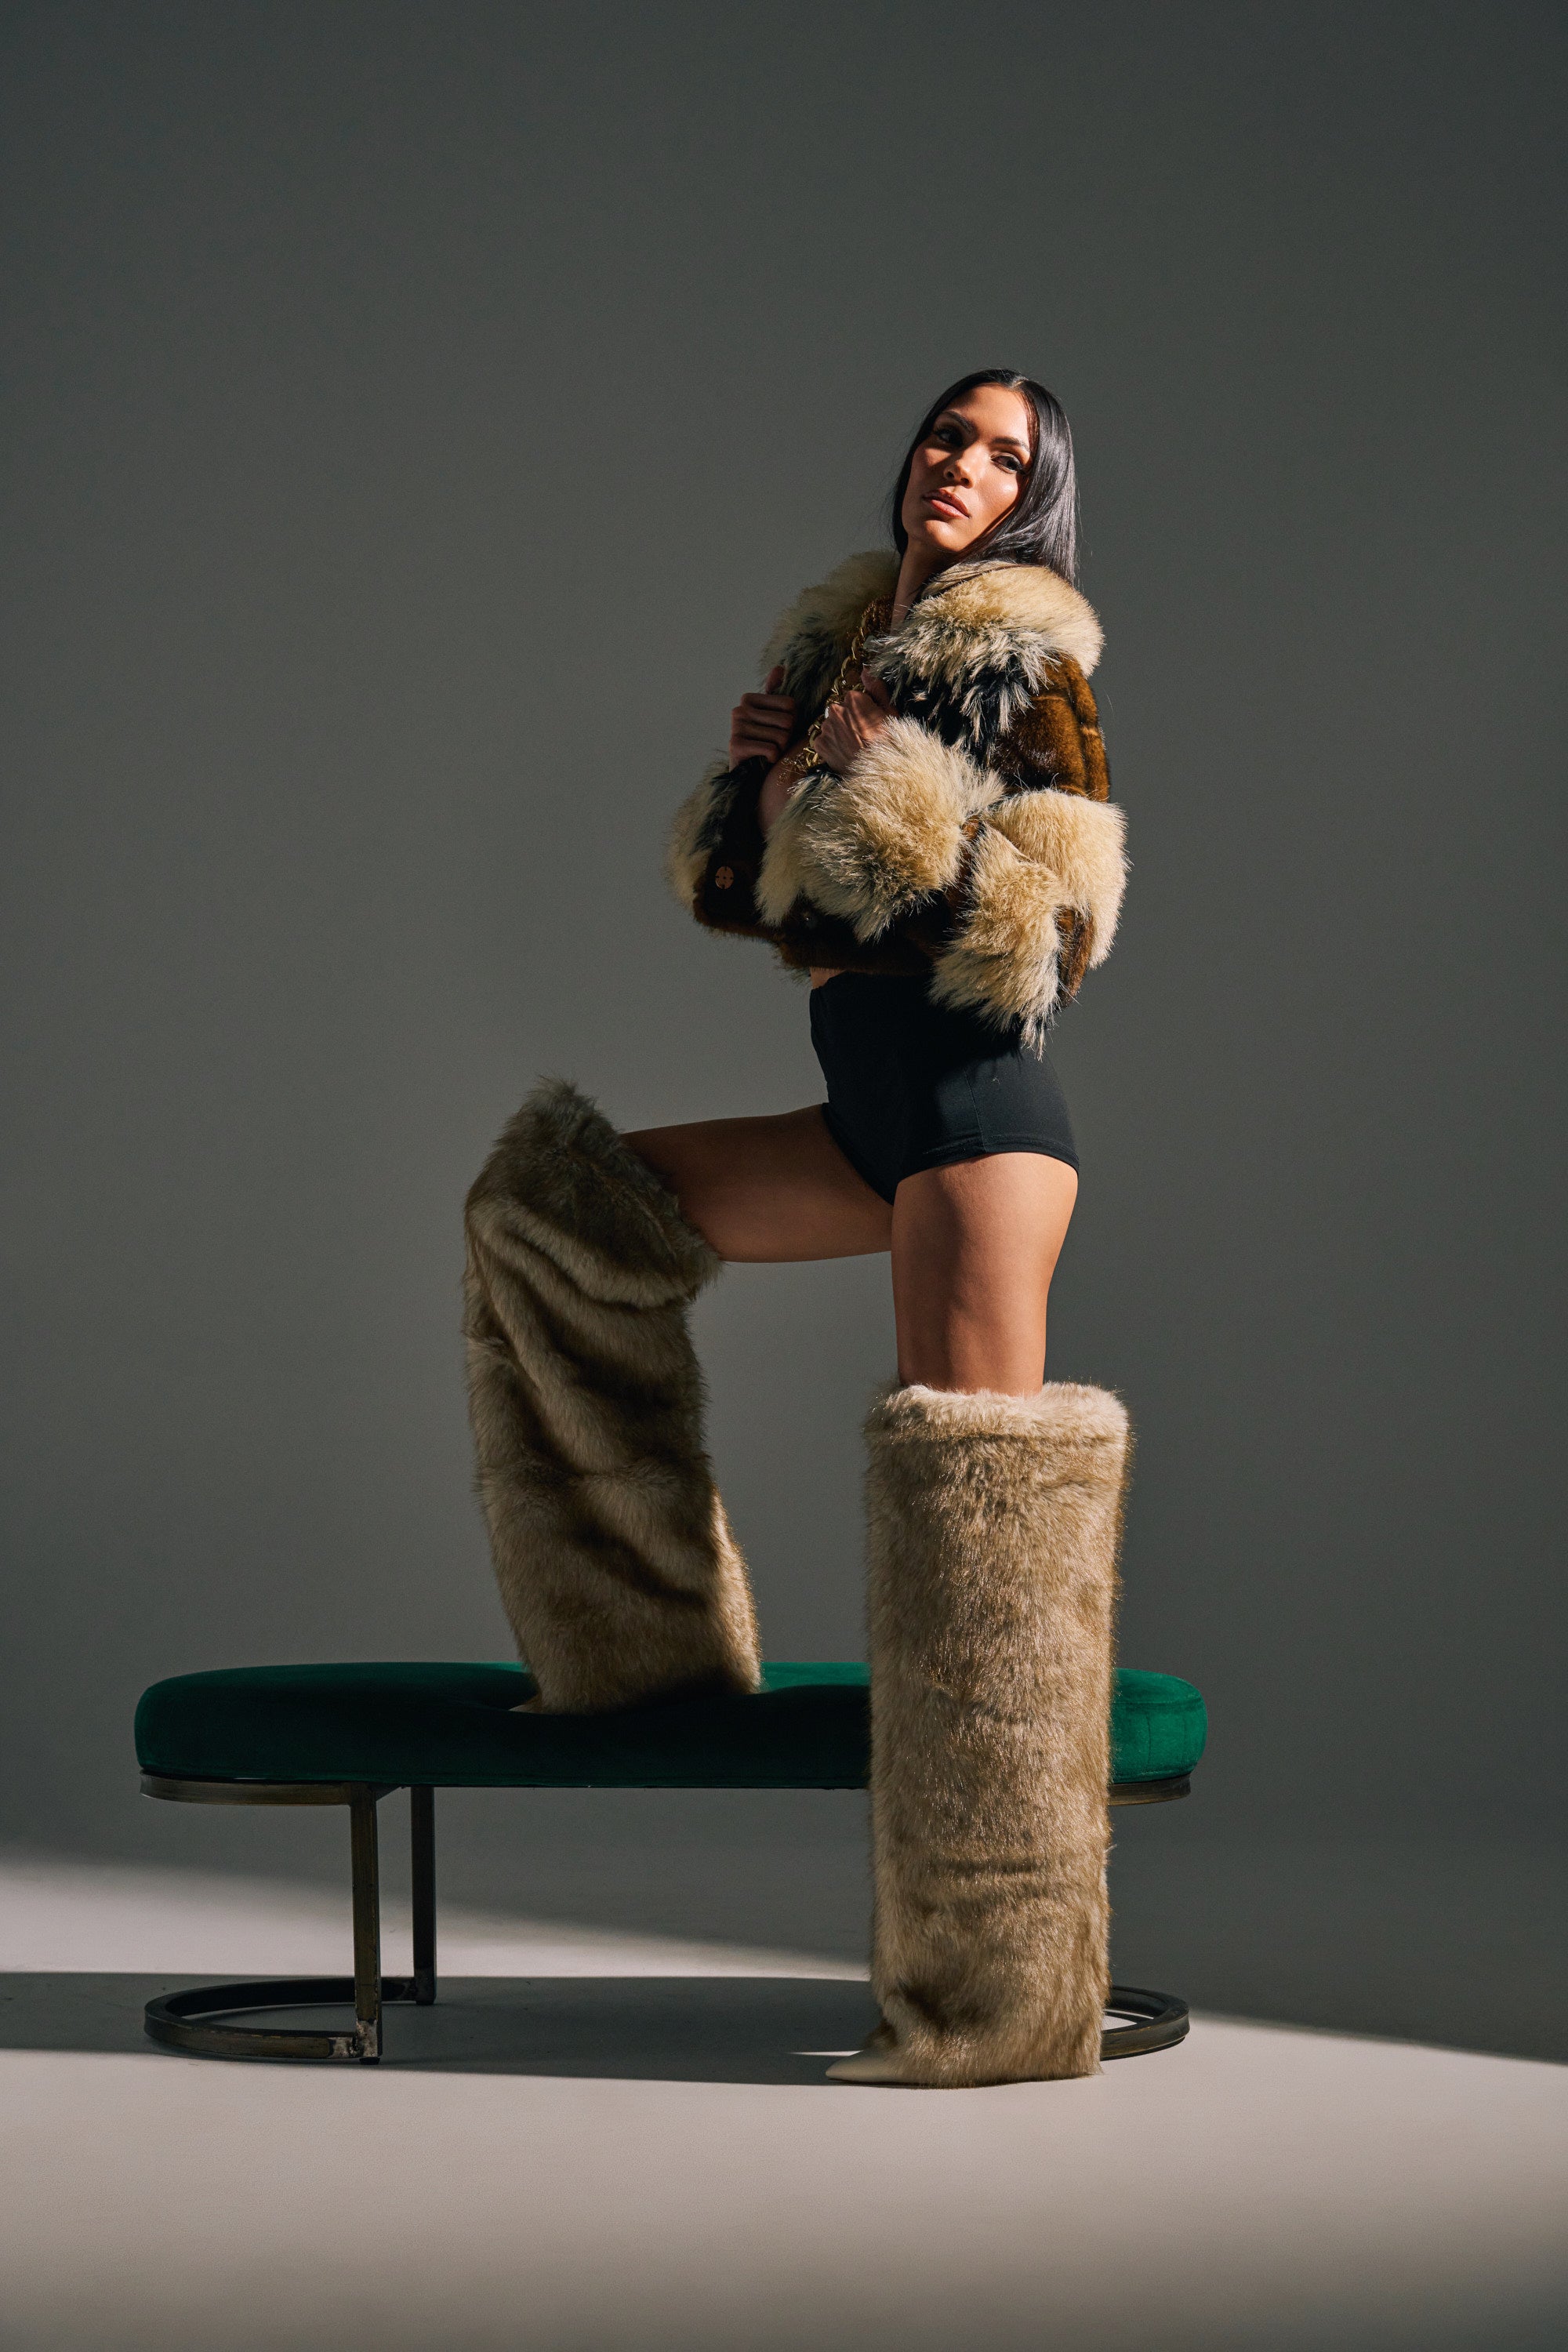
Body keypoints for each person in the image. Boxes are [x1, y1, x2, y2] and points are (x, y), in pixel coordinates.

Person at [463, 372, 1132, 2086]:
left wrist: (880, 790)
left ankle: (992, 2005)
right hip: (860, 1120)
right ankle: (646, 1654)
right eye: (945, 435)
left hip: (976, 1122)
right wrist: (770, 799)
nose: (960, 467)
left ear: (1034, 492)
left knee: (974, 1549)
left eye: (1004, 454)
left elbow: (1049, 934)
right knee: (550, 1214)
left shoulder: (1022, 668)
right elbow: (753, 900)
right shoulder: (851, 655)